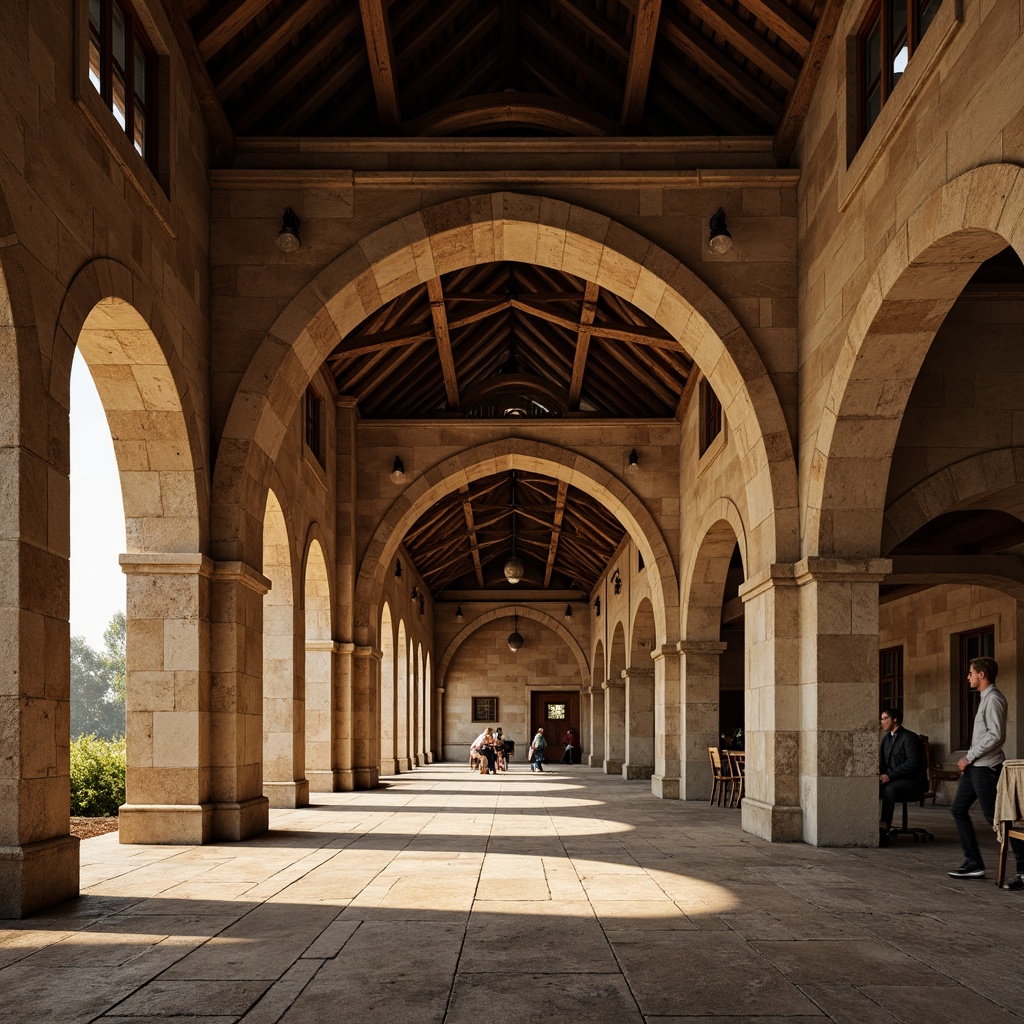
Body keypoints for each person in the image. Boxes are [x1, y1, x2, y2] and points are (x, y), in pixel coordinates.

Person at [948, 656, 1024, 885]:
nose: (968, 676)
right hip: (976, 768)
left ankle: (1023, 869)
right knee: (958, 808)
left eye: (971, 672)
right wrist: (970, 762)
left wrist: (968, 757)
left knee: (999, 818)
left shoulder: (993, 699)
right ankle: (974, 863)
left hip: (986, 769)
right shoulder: (984, 698)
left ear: (981, 674)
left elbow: (996, 735)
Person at [877, 708, 928, 845]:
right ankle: (871, 826)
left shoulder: (909, 737)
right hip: (893, 780)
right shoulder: (886, 739)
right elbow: (883, 763)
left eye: (885, 718)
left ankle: (884, 828)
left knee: (889, 790)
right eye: (881, 719)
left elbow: (912, 763)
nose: (882, 722)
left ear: (895, 719)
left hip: (913, 781)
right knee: (874, 787)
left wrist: (890, 776)